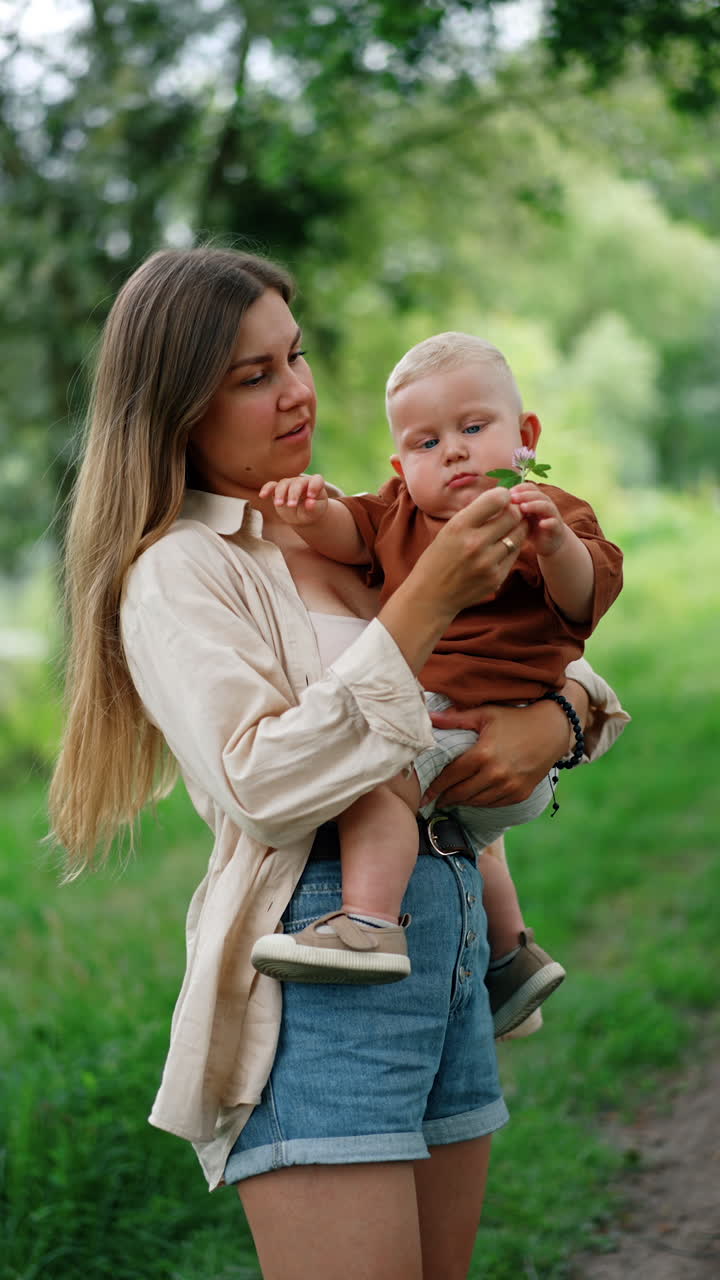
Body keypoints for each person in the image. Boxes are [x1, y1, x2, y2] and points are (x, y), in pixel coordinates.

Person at [49, 247, 628, 1280]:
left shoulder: (350, 524)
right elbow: (263, 784)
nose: (298, 391)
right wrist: (426, 601)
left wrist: (563, 712)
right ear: (178, 406)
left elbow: (532, 642)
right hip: (322, 958)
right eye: (254, 374)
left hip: (449, 940)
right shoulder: (182, 567)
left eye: (296, 354)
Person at [250, 332, 623, 1037]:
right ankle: (511, 959)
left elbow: (585, 605)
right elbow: (348, 532)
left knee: (378, 776)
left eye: (474, 428)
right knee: (469, 835)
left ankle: (367, 922)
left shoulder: (544, 511)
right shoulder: (400, 513)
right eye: (426, 444)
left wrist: (556, 548)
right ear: (400, 465)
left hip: (507, 727)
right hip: (469, 736)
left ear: (526, 436)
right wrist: (310, 511)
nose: (452, 450)